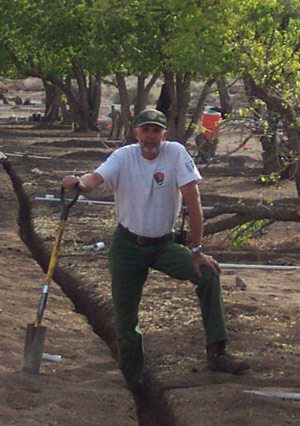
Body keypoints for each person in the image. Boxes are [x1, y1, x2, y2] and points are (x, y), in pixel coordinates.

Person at [62, 108, 250, 391]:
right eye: (145, 130)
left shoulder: (175, 154)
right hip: (127, 246)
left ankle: (217, 352)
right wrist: (78, 182)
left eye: (156, 130)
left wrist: (197, 250)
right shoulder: (124, 157)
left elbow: (193, 202)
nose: (150, 136)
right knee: (126, 321)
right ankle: (133, 382)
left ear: (165, 133)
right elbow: (95, 179)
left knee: (208, 275)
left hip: (164, 245)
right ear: (136, 132)